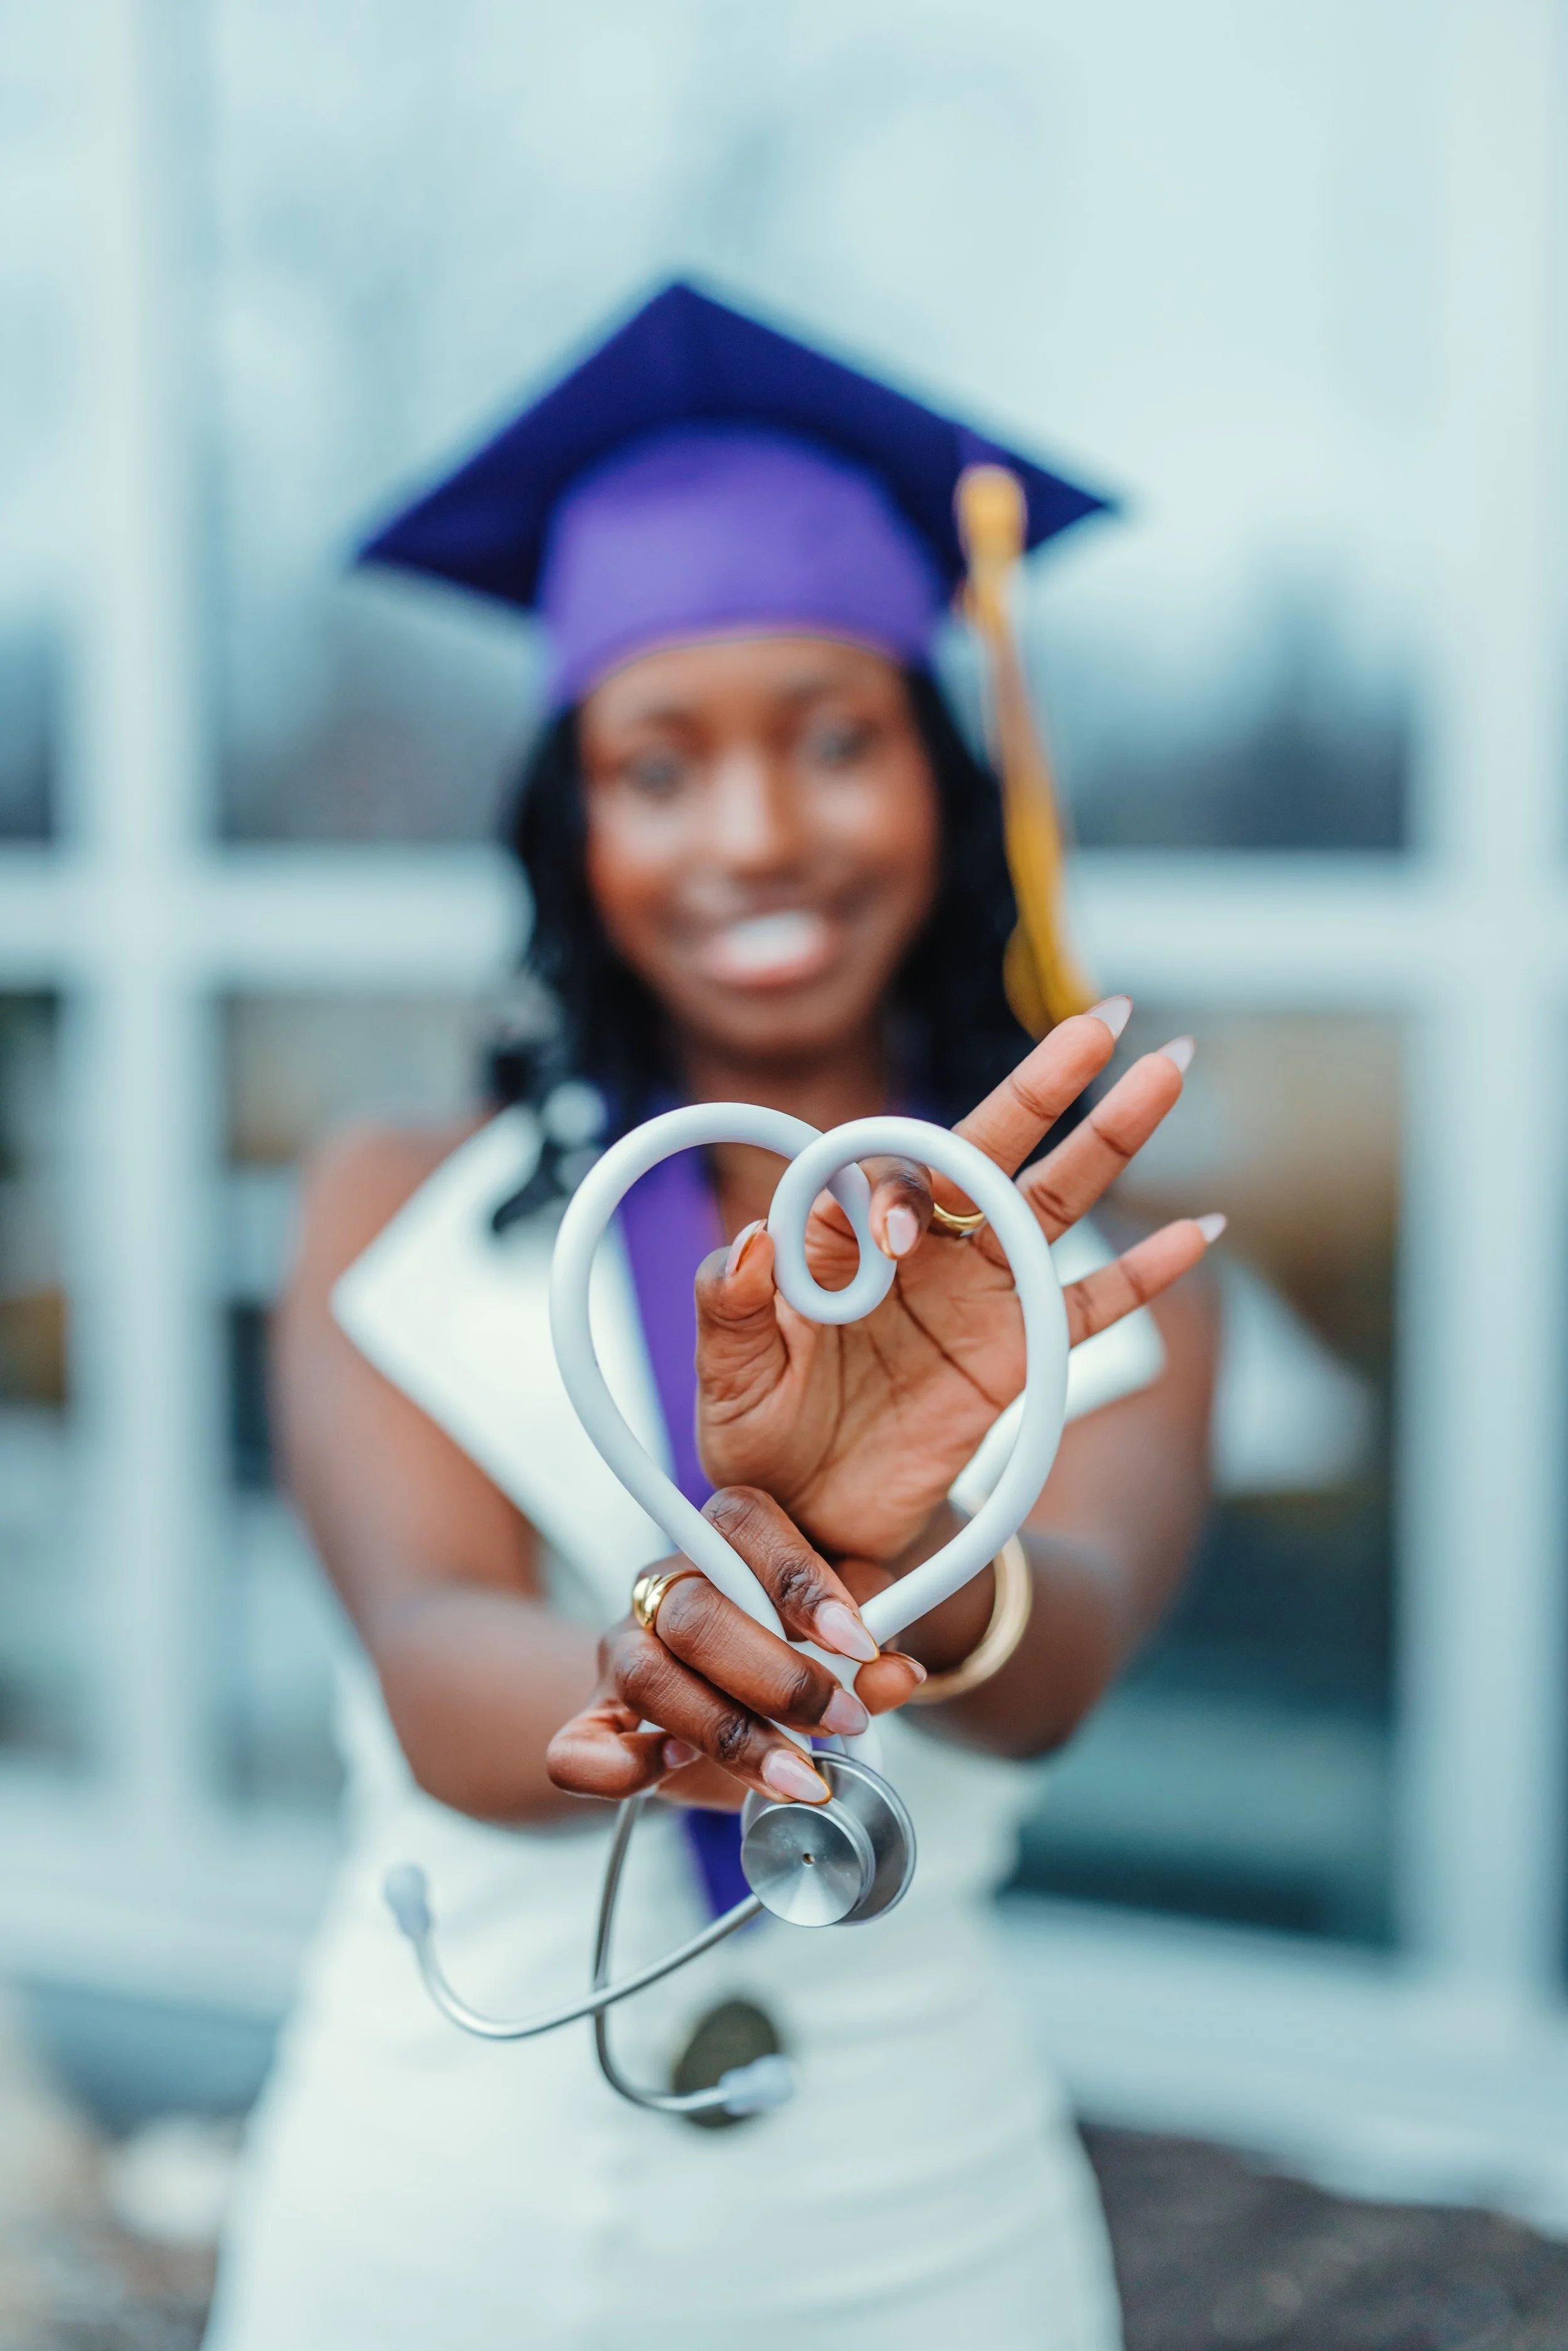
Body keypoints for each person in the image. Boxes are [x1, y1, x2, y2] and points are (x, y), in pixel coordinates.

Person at [204, 283, 1219, 2351]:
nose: (756, 834)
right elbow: (428, 1655)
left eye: (835, 740)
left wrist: (897, 1561)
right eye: (657, 769)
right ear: (573, 828)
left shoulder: (1081, 1271)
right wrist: (660, 1658)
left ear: (945, 779)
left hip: (914, 2241)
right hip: (421, 2217)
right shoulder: (397, 1209)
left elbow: (1058, 1664)